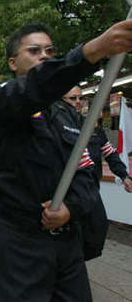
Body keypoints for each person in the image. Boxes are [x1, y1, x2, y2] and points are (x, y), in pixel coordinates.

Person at [0, 20, 132, 302]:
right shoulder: (4, 99)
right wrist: (92, 51)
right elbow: (36, 87)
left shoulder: (69, 116)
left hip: (66, 247)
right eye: (34, 51)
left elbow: (86, 172)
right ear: (13, 62)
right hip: (16, 245)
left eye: (50, 51)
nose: (44, 57)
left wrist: (71, 209)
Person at [62, 86, 132, 260]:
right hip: (67, 191)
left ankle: (77, 261)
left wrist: (124, 175)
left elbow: (109, 152)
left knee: (97, 228)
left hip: (90, 190)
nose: (77, 102)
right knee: (69, 232)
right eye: (72, 98)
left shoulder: (93, 127)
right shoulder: (57, 125)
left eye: (80, 98)